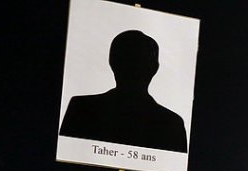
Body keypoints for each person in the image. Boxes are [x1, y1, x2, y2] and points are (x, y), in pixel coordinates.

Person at [59, 30, 188, 153]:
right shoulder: (172, 124)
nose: (134, 70)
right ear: (154, 68)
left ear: (112, 62)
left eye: (138, 62)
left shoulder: (81, 108)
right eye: (130, 61)